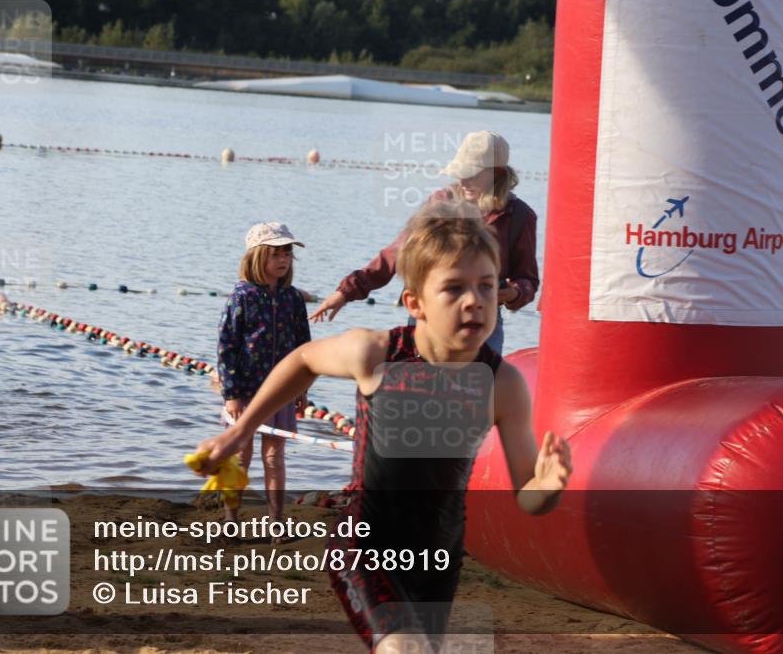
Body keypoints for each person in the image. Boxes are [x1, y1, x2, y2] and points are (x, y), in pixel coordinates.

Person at [196, 201, 571, 653]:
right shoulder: (376, 353)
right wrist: (239, 432)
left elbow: (528, 496)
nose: (474, 300)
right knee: (404, 649)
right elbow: (301, 360)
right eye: (453, 289)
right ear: (415, 303)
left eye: (486, 287)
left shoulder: (502, 382)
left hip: (439, 555)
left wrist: (547, 486)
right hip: (364, 544)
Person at [310, 130, 540, 355]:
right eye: (461, 172)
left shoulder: (521, 217)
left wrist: (513, 293)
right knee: (420, 390)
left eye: (472, 174)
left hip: (481, 320)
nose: (463, 180)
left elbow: (528, 279)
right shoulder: (442, 202)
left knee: (475, 390)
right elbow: (399, 251)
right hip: (430, 313)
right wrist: (345, 292)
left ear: (497, 174)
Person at [216, 221, 311, 531]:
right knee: (241, 456)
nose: (283, 260)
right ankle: (231, 517)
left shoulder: (293, 298)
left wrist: (302, 388)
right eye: (276, 254)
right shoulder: (241, 297)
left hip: (281, 391)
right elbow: (227, 346)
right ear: (257, 257)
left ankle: (276, 522)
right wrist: (231, 395)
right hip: (245, 390)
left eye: (287, 254)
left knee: (273, 457)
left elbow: (303, 349)